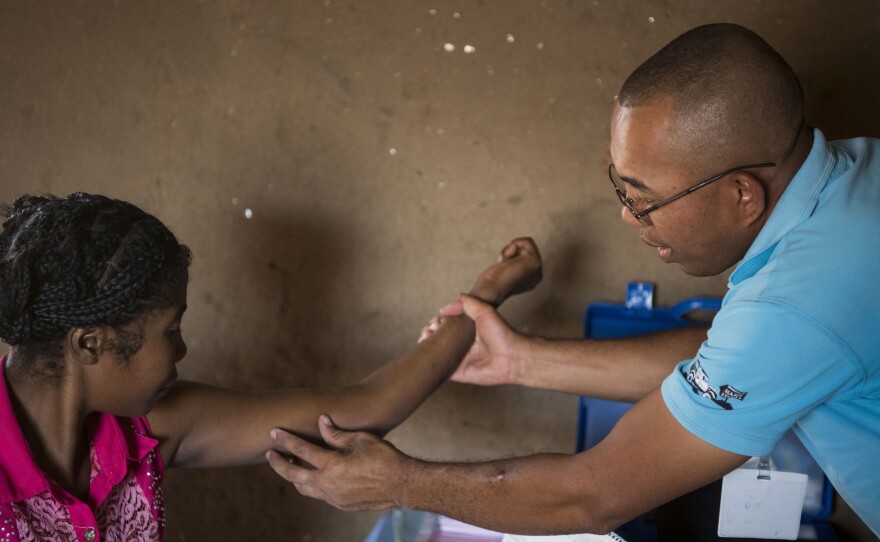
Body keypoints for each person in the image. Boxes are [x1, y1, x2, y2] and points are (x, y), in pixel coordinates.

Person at [266, 22, 880, 538]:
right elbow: (728, 356)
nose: (628, 216)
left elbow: (593, 496)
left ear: (742, 195)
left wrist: (396, 482)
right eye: (621, 186)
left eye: (644, 198)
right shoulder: (855, 181)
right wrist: (520, 361)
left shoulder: (796, 301)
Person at [0, 192, 542, 541]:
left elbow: (365, 406)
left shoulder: (148, 428)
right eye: (170, 332)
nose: (181, 351)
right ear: (91, 344)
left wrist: (485, 295)